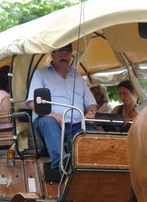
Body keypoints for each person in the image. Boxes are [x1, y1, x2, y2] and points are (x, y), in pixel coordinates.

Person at [26, 43, 97, 171]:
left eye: (68, 53)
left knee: (95, 134)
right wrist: (53, 115)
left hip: (76, 124)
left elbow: (91, 102)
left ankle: (97, 166)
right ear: (52, 54)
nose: (65, 55)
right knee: (49, 122)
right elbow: (33, 102)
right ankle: (61, 165)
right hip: (48, 120)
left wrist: (91, 113)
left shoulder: (77, 76)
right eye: (61, 52)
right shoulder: (40, 74)